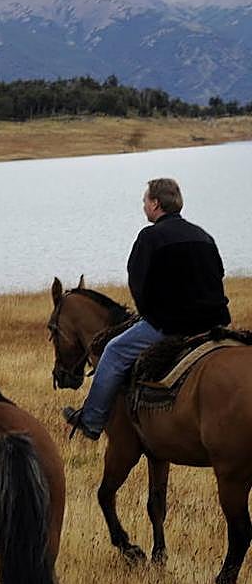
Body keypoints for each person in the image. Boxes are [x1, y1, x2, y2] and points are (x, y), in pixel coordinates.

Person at [63, 178, 230, 440]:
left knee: (114, 352)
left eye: (145, 200)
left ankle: (92, 421)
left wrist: (150, 315)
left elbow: (138, 281)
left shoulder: (150, 236)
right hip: (215, 324)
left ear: (155, 203)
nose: (144, 205)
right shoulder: (203, 235)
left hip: (171, 325)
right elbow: (218, 275)